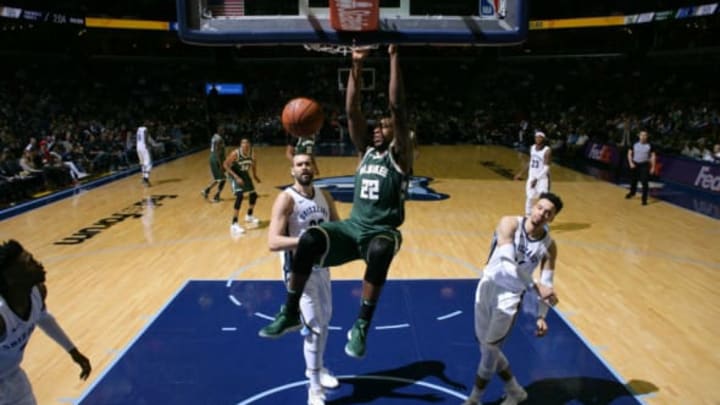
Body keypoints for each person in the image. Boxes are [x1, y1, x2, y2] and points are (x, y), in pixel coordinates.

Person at [258, 44, 413, 360]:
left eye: (384, 126)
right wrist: (355, 66)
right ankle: (289, 311)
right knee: (311, 238)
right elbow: (352, 110)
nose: (379, 129)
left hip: (381, 232)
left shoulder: (401, 157)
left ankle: (361, 327)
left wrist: (394, 56)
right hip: (353, 228)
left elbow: (398, 107)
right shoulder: (365, 151)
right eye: (377, 126)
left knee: (381, 250)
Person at [463, 193, 563, 405]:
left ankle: (474, 399)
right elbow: (508, 264)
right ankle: (516, 391)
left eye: (548, 213)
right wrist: (536, 288)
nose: (542, 214)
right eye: (540, 208)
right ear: (532, 207)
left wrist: (542, 316)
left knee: (490, 351)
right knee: (486, 347)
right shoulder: (509, 224)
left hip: (510, 297)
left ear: (552, 218)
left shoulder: (549, 246)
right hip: (487, 286)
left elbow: (548, 283)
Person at [267, 153, 341, 405]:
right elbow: (273, 241)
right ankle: (314, 388)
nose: (305, 167)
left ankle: (320, 370)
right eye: (299, 164)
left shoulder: (325, 196)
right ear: (292, 171)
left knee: (325, 321)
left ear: (315, 167)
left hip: (322, 268)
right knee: (314, 325)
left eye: (308, 163)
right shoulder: (286, 199)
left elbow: (338, 229)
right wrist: (307, 242)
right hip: (297, 272)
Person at [0, 239, 92, 404]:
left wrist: (73, 351)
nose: (39, 264)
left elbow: (44, 318)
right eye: (29, 264)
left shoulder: (38, 292)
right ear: (11, 277)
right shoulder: (2, 318)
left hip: (14, 376)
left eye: (33, 259)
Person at [224, 137, 261, 235]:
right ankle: (234, 224)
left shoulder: (252, 153)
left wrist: (255, 176)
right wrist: (236, 177)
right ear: (240, 145)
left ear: (249, 145)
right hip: (234, 175)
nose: (245, 145)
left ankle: (249, 216)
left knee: (254, 195)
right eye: (243, 144)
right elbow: (225, 165)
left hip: (244, 174)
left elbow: (253, 164)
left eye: (246, 143)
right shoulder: (235, 153)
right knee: (240, 196)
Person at [514, 131, 552, 216]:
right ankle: (528, 217)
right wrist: (521, 173)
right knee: (530, 197)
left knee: (544, 199)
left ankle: (543, 219)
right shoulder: (532, 147)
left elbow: (546, 168)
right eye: (536, 137)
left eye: (540, 137)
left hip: (542, 179)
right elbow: (530, 162)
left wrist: (536, 179)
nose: (538, 139)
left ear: (544, 139)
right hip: (532, 177)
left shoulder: (547, 150)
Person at [625, 130, 656, 206]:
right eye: (641, 135)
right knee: (633, 180)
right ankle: (632, 193)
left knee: (644, 182)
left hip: (644, 165)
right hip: (635, 164)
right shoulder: (634, 144)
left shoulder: (650, 145)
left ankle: (644, 199)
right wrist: (631, 163)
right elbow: (629, 154)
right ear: (639, 136)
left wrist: (653, 167)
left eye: (645, 135)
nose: (643, 137)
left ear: (647, 137)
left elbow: (653, 156)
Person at [201, 127, 227, 202]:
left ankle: (206, 190)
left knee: (218, 178)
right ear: (219, 130)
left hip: (212, 158)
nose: (224, 131)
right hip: (216, 159)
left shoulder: (214, 136)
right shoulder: (219, 139)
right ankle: (216, 197)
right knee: (223, 179)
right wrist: (221, 164)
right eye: (223, 130)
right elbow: (218, 152)